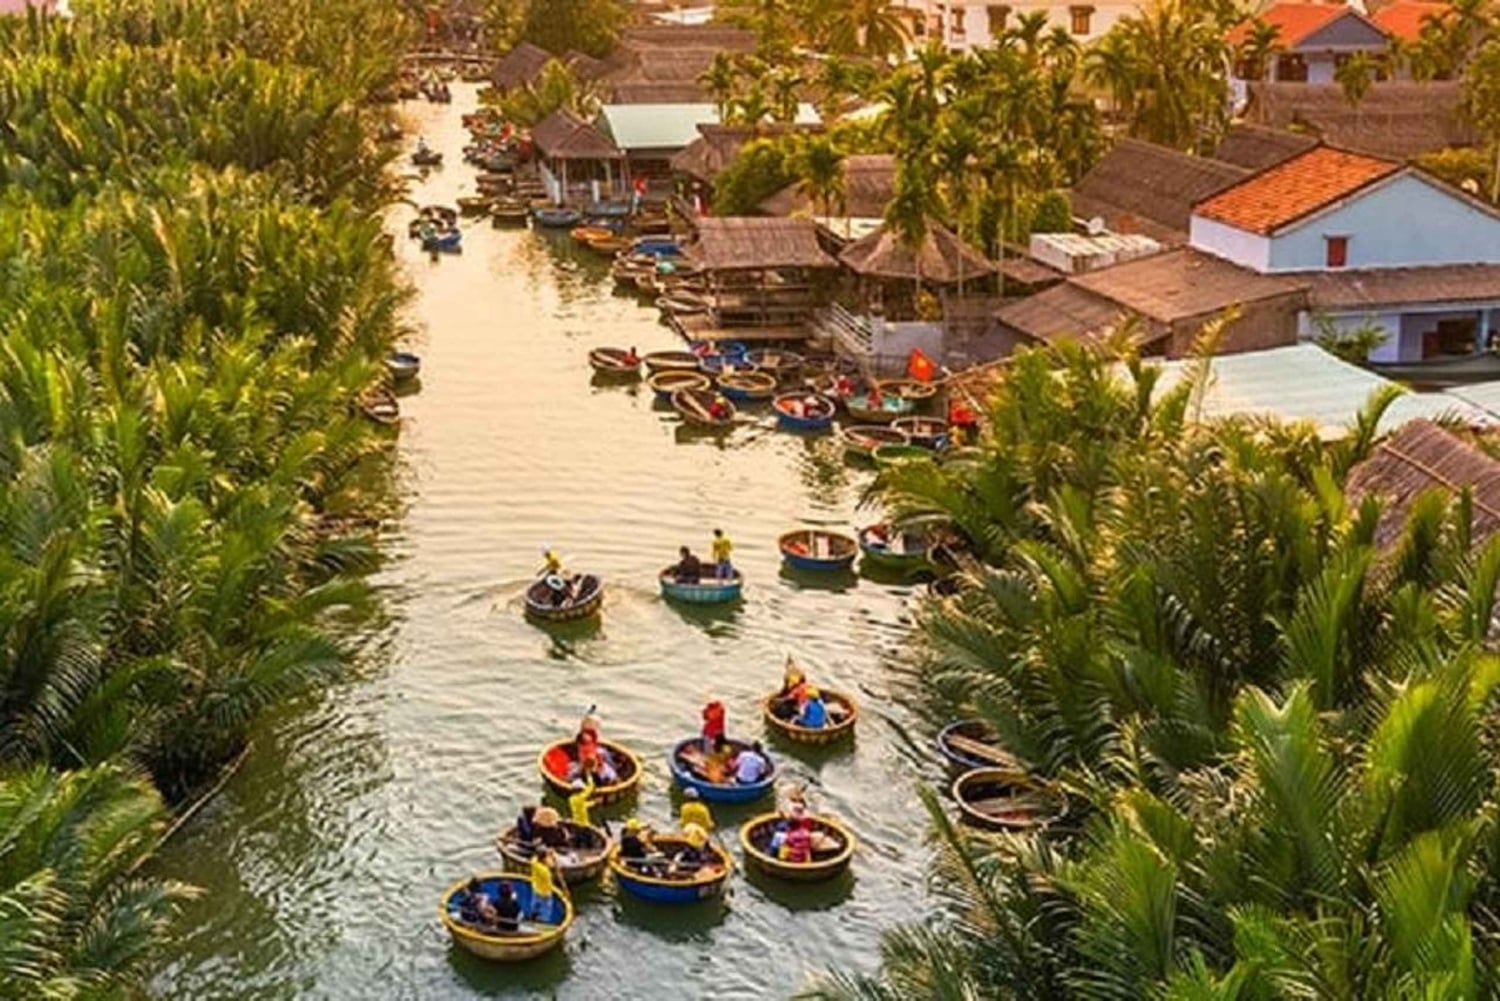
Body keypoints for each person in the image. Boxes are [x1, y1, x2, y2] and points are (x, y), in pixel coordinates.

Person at [528, 848, 560, 918]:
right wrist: (553, 859)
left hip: (535, 888)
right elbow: (549, 882)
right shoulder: (545, 872)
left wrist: (548, 852)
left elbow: (538, 857)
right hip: (544, 892)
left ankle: (533, 915)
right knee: (546, 908)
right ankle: (544, 920)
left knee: (535, 904)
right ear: (543, 859)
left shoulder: (534, 861)